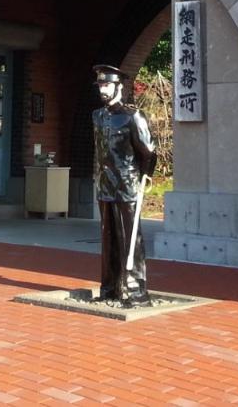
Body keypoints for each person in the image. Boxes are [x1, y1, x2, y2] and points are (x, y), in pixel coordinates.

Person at [92, 64, 157, 305]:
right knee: (108, 239)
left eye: (107, 84)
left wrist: (145, 176)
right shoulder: (97, 116)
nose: (103, 88)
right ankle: (109, 288)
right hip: (105, 185)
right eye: (100, 84)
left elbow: (148, 150)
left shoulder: (132, 116)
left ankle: (135, 291)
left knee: (130, 239)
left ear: (119, 86)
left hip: (127, 185)